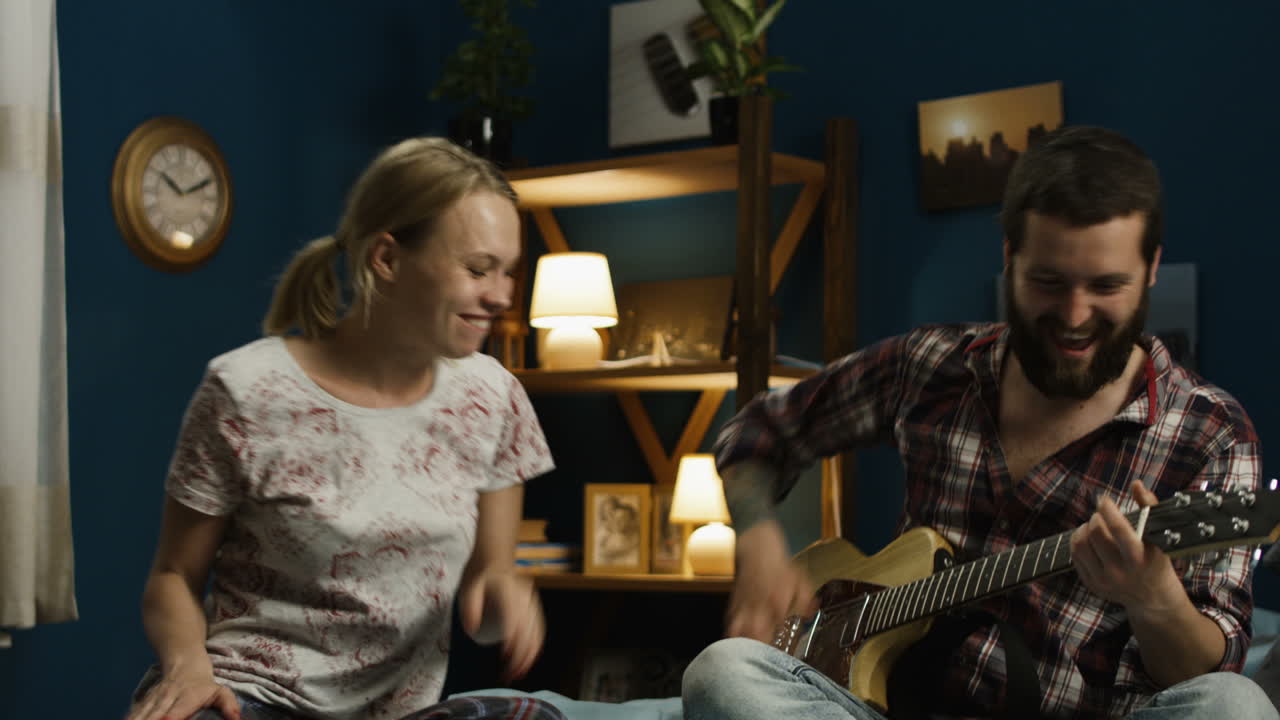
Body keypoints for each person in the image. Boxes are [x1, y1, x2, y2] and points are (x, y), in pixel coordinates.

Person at [681, 126, 1278, 719]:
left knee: (1235, 705)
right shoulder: (929, 367)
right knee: (722, 670)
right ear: (1009, 257)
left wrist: (1154, 599)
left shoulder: (1211, 433)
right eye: (1049, 282)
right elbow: (756, 435)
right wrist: (758, 539)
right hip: (890, 706)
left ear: (1151, 268)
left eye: (1106, 286)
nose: (1074, 316)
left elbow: (1200, 675)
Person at [127, 137, 563, 720]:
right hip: (251, 699)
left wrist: (505, 596)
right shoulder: (245, 389)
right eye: (478, 269)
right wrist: (188, 669)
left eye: (508, 272)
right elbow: (173, 576)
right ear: (386, 259)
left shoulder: (494, 397)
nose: (502, 295)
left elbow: (490, 578)